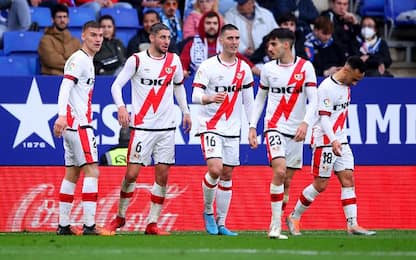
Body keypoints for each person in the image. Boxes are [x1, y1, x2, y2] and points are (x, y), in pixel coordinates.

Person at [105, 23, 192, 235]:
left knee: (162, 176)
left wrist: (186, 111)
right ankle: (120, 217)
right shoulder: (137, 60)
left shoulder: (174, 60)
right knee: (132, 174)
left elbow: (179, 86)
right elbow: (116, 86)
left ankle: (152, 223)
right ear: (152, 38)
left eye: (168, 38)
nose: (166, 42)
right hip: (142, 127)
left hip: (166, 128)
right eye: (162, 37)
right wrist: (121, 108)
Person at [286, 56, 376, 236]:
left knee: (348, 178)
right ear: (347, 70)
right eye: (355, 79)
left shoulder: (346, 87)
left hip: (340, 139)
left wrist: (338, 139)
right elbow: (324, 118)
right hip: (324, 141)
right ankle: (294, 217)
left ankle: (352, 224)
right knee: (320, 184)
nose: (356, 84)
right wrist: (333, 139)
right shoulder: (326, 88)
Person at [248, 28, 317, 239]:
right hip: (274, 127)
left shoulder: (306, 67)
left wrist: (306, 124)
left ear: (286, 45)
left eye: (273, 44)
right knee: (279, 172)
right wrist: (252, 126)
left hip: (297, 131)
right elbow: (260, 98)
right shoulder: (268, 69)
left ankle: (280, 220)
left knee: (286, 181)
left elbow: (313, 99)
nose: (269, 48)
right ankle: (274, 226)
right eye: (269, 45)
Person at [192, 24, 254, 236]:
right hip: (210, 125)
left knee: (227, 175)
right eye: (230, 38)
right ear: (221, 40)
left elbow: (249, 102)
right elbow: (195, 96)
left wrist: (252, 127)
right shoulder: (208, 66)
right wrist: (208, 98)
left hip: (233, 128)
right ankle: (208, 212)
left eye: (237, 38)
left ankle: (221, 223)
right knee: (216, 169)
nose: (234, 42)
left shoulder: (244, 69)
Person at [54, 21, 113, 236]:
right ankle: (90, 225)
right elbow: (64, 86)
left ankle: (63, 225)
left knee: (72, 173)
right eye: (93, 35)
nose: (98, 39)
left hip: (72, 126)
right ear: (83, 36)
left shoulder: (86, 60)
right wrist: (61, 115)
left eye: (100, 35)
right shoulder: (79, 60)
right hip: (78, 124)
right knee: (92, 170)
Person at [180, 10, 255, 78]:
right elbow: (183, 63)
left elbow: (241, 59)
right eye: (208, 23)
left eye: (215, 23)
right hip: (197, 81)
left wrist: (258, 71)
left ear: (219, 25)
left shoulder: (225, 43)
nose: (212, 26)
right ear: (202, 25)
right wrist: (184, 71)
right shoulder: (192, 44)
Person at [38, 4, 81, 75]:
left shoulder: (76, 41)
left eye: (65, 17)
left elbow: (80, 61)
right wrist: (72, 65)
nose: (62, 20)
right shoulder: (45, 40)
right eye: (59, 17)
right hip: (52, 78)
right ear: (52, 19)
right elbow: (52, 60)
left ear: (68, 20)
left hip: (72, 79)